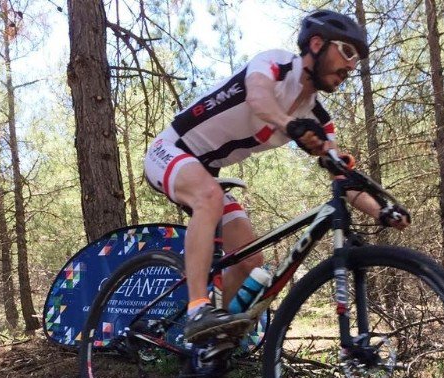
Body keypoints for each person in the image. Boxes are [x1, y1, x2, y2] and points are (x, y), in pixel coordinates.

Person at [143, 9, 411, 344]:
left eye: (356, 59)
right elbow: (258, 99)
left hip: (207, 172)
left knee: (250, 259)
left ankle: (218, 343)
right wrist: (292, 127)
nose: (351, 66)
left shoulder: (318, 116)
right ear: (316, 43)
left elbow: (342, 176)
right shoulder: (274, 65)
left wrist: (382, 212)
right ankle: (198, 309)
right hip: (170, 149)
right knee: (209, 196)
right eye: (346, 51)